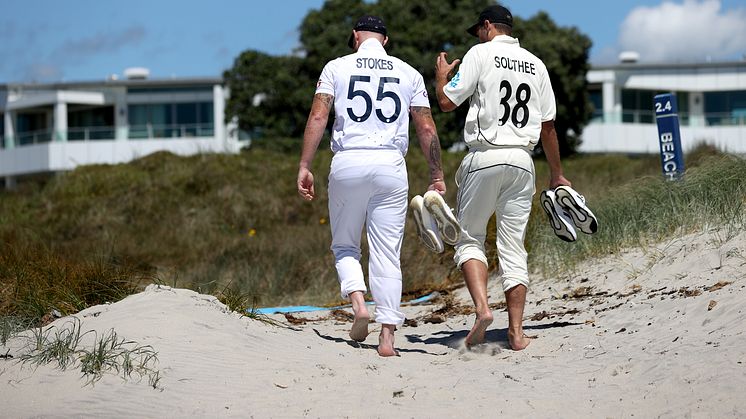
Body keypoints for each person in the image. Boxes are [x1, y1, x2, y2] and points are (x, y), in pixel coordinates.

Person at [297, 15, 446, 357]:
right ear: (386, 40)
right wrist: (436, 174)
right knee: (387, 254)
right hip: (390, 165)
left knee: (345, 245)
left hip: (348, 161)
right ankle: (388, 337)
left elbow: (319, 116)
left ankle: (359, 304)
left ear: (354, 36)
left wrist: (305, 165)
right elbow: (425, 127)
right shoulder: (408, 72)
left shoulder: (335, 67)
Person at [434, 5, 571, 350]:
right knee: (513, 247)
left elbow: (447, 102)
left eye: (478, 30)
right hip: (523, 161)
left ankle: (482, 310)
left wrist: (441, 77)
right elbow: (548, 127)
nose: (478, 36)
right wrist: (557, 173)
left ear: (487, 27)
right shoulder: (536, 63)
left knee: (469, 239)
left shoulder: (480, 54)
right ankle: (516, 332)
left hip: (485, 155)